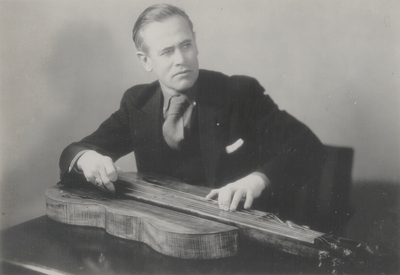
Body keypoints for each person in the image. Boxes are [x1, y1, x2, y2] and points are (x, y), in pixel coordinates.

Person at [59, 4, 326, 217]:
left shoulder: (240, 93)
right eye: (166, 52)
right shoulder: (137, 101)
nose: (181, 60)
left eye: (185, 45)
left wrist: (257, 180)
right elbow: (76, 150)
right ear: (145, 61)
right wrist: (86, 159)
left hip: (235, 231)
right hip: (165, 230)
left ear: (196, 43)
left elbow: (307, 147)